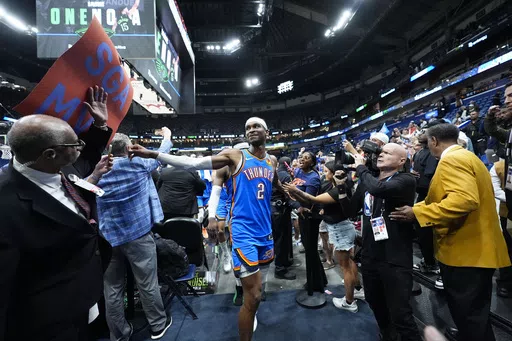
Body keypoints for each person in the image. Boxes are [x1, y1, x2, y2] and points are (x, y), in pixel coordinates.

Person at [128, 117, 284, 341]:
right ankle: (243, 298)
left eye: (256, 126)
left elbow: (274, 182)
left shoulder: (272, 161)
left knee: (259, 291)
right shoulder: (234, 157)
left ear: (267, 132)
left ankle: (250, 305)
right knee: (254, 293)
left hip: (265, 232)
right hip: (242, 231)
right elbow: (193, 165)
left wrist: (293, 193)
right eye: (247, 127)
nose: (251, 130)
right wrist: (154, 154)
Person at [390, 123, 511, 341]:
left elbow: (464, 200)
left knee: (469, 316)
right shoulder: (468, 156)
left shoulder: (452, 160)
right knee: (475, 316)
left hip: (466, 254)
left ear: (434, 141)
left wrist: (418, 214)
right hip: (478, 250)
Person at [0, 114, 112, 341]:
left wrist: (99, 125)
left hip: (85, 299)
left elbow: (87, 156)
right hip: (48, 322)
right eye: (75, 144)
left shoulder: (60, 167)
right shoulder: (6, 202)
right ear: (50, 154)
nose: (80, 147)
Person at [96, 130, 173, 341]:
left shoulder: (98, 172)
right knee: (147, 282)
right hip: (138, 235)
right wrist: (166, 136)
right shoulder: (139, 165)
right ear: (129, 148)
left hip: (108, 238)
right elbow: (161, 153)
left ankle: (119, 334)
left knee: (112, 288)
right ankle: (157, 326)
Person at [343, 143, 422, 341]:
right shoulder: (369, 181)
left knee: (401, 313)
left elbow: (378, 189)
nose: (381, 155)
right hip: (371, 255)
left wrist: (361, 167)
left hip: (394, 258)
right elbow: (350, 210)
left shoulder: (405, 180)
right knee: (375, 302)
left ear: (401, 161)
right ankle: (387, 335)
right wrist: (341, 187)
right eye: (380, 152)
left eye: (387, 153)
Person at [284, 161, 365, 312]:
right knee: (349, 262)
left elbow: (313, 199)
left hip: (340, 230)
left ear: (335, 173)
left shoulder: (337, 190)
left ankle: (349, 302)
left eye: (327, 171)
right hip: (341, 228)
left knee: (345, 267)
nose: (324, 173)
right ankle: (358, 290)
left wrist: (295, 191)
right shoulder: (336, 187)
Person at [208, 138, 250, 305]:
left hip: (251, 210)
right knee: (224, 235)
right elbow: (215, 189)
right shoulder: (223, 165)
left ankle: (258, 285)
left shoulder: (258, 161)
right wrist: (211, 214)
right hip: (228, 203)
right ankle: (238, 283)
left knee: (256, 253)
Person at [271, 156, 296, 280]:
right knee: (281, 239)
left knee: (282, 238)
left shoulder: (273, 173)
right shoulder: (285, 176)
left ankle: (284, 261)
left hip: (274, 210)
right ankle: (280, 268)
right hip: (279, 210)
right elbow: (289, 195)